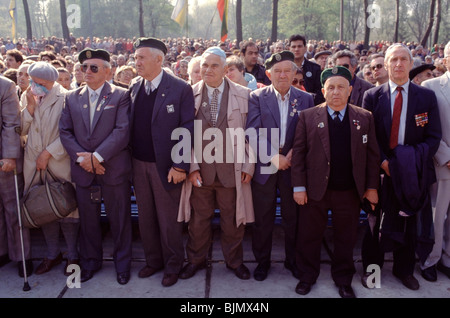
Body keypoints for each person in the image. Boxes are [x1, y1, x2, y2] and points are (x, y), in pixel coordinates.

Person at [291, 66, 380, 298]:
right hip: (314, 190)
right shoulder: (308, 117)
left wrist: (371, 187)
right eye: (331, 87)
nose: (336, 92)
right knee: (309, 236)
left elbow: (372, 156)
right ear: (323, 91)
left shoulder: (364, 117)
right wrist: (299, 187)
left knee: (346, 238)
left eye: (341, 87)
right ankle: (307, 276)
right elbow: (298, 154)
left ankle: (343, 279)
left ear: (350, 90)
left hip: (349, 191)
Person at [362, 43, 441, 291]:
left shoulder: (426, 97)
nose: (398, 64)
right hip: (382, 171)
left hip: (413, 175)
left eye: (403, 59)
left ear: (410, 64)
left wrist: (412, 162)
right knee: (376, 223)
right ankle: (372, 271)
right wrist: (384, 162)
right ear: (385, 65)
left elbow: (433, 137)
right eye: (393, 60)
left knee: (408, 223)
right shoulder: (372, 96)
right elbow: (368, 135)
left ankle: (404, 270)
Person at [178, 46, 254, 281]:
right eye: (204, 66)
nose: (208, 70)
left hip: (232, 172)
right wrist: (190, 167)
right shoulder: (188, 94)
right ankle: (195, 261)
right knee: (199, 221)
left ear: (225, 69)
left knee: (233, 221)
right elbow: (182, 135)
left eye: (214, 66)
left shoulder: (243, 95)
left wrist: (249, 165)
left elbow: (253, 133)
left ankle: (234, 262)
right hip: (201, 172)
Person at [59, 48, 133, 285]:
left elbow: (122, 132)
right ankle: (90, 262)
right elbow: (65, 132)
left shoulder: (121, 96)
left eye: (93, 67)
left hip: (112, 170)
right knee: (89, 222)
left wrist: (97, 157)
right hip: (84, 172)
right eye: (83, 67)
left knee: (119, 221)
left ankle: (122, 265)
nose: (87, 72)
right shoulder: (71, 97)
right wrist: (85, 160)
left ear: (108, 71)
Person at [129, 38, 195, 287]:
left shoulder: (179, 88)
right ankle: (153, 261)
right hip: (139, 164)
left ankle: (173, 265)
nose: (137, 62)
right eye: (135, 58)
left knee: (169, 221)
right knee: (146, 217)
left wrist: (180, 165)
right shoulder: (135, 86)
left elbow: (187, 127)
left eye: (141, 58)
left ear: (159, 59)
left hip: (166, 167)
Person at [246, 51, 314, 281]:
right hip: (266, 164)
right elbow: (252, 131)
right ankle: (262, 262)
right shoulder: (256, 97)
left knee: (292, 217)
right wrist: (275, 157)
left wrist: (293, 154)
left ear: (295, 73)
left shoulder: (306, 98)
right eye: (277, 71)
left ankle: (292, 260)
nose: (283, 75)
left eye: (287, 70)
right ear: (268, 73)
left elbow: (307, 131)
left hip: (293, 164)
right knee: (262, 217)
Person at [20, 62, 79, 276]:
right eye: (33, 81)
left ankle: (73, 254)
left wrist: (48, 153)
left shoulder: (67, 98)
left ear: (51, 82)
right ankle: (53, 253)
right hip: (33, 163)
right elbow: (21, 129)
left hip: (58, 162)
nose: (35, 86)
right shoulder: (29, 96)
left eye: (40, 83)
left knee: (66, 207)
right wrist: (29, 109)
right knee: (41, 206)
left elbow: (71, 133)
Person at [420, 41, 450, 282]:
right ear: (445, 59)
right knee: (436, 217)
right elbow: (427, 126)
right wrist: (445, 156)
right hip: (443, 164)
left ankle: (448, 259)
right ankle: (431, 259)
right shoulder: (430, 86)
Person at [0, 76, 31, 277]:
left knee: (13, 209)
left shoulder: (5, 86)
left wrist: (10, 155)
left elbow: (12, 123)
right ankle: (2, 252)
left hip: (4, 159)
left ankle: (22, 256)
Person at [288, 35, 324, 105]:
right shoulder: (284, 69)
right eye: (293, 47)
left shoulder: (315, 69)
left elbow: (320, 93)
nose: (296, 49)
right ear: (289, 49)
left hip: (310, 107)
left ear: (305, 48)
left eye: (299, 46)